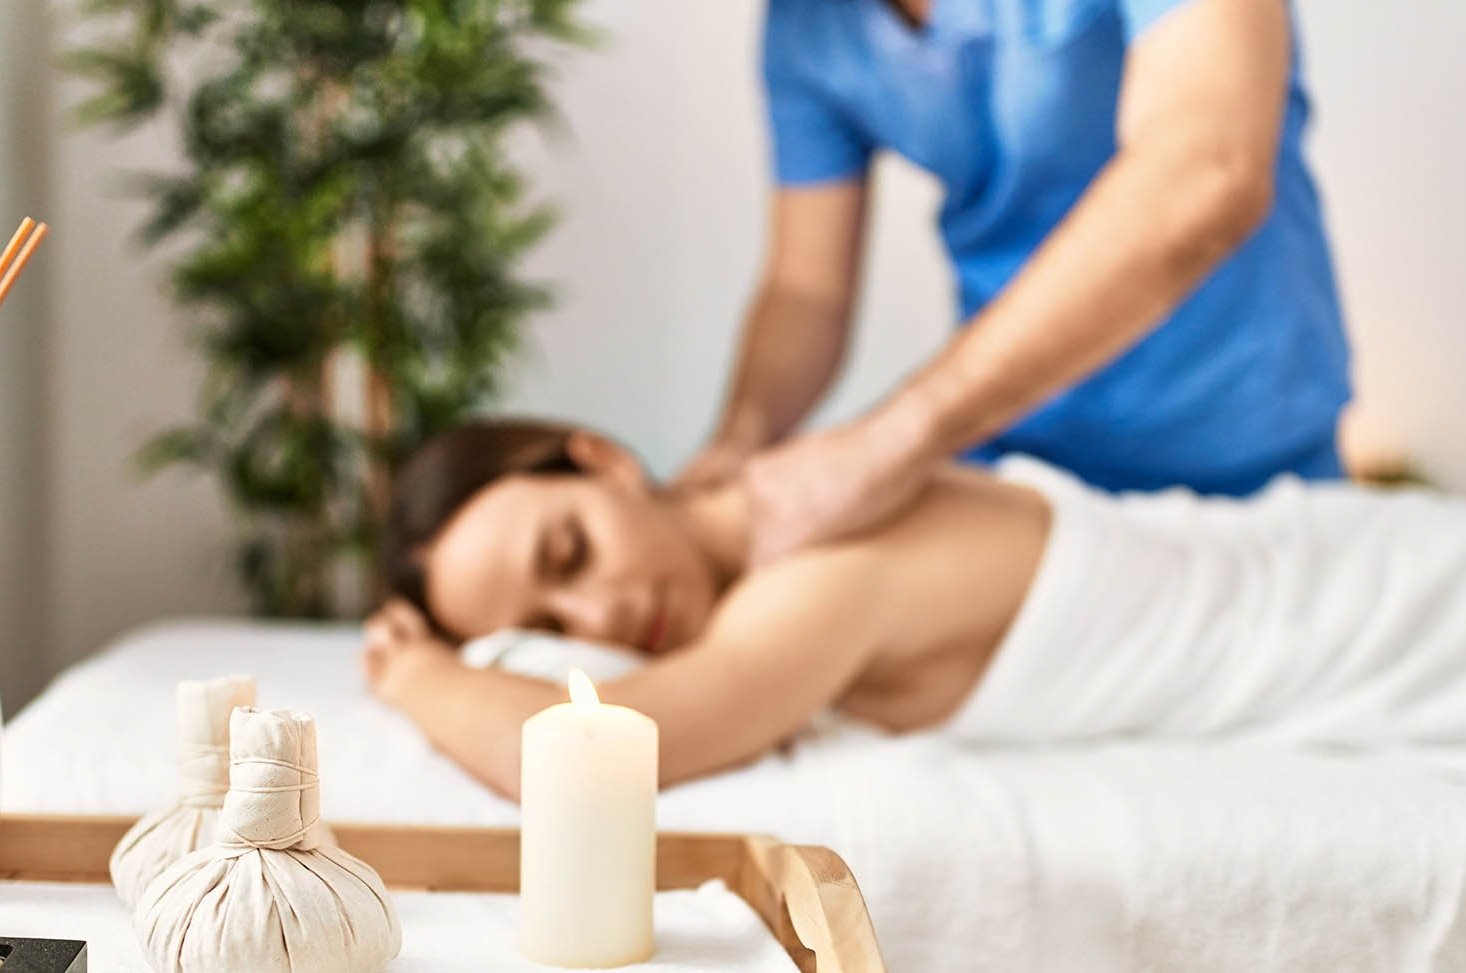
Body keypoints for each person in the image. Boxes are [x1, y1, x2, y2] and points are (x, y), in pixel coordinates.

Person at [363, 420, 1466, 799]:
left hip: (1406, 607)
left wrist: (415, 674)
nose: (600, 611)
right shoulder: (785, 521)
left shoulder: (819, 571)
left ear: (603, 462)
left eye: (571, 550)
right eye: (549, 627)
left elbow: (595, 755)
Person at [677, 0, 1351, 566]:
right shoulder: (805, 28)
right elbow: (806, 290)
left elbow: (1207, 172)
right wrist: (742, 437)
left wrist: (894, 441)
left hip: (1247, 447)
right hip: (1018, 472)